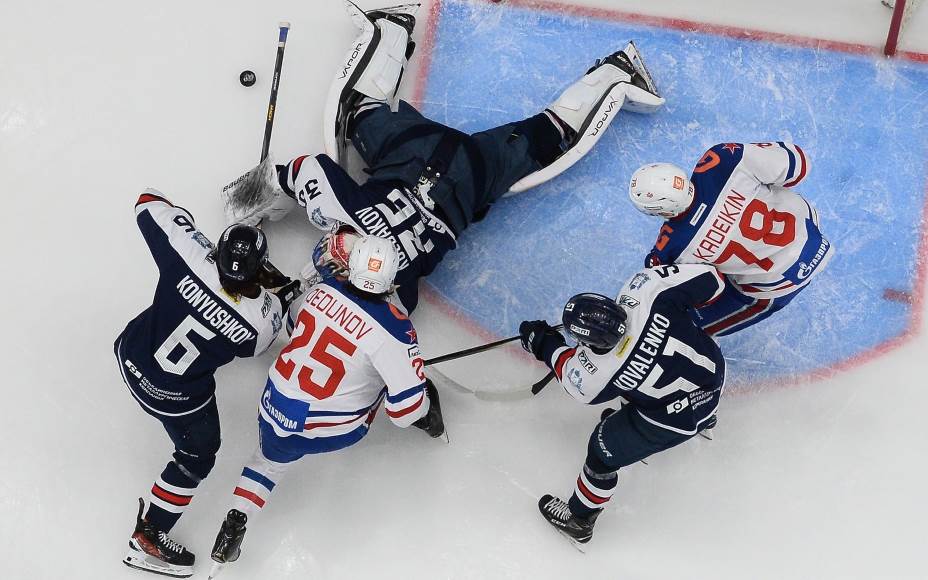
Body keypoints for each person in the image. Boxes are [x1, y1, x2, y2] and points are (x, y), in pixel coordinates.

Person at [223, 3, 665, 313]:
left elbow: (359, 315)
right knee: (360, 111)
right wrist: (252, 201)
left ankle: (617, 73)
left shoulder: (403, 288)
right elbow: (304, 169)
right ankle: (392, 29)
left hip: (473, 172)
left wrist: (291, 290)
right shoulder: (344, 213)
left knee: (550, 135)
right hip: (415, 149)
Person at [207, 235, 445, 577]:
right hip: (332, 427)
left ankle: (237, 515)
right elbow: (404, 413)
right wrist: (421, 404)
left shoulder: (324, 289)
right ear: (392, 279)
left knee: (267, 462)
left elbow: (292, 325)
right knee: (392, 387)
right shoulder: (396, 330)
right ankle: (418, 409)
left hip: (275, 403)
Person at [115, 189, 302, 577]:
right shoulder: (259, 322)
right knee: (198, 455)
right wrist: (275, 291)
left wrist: (196, 237)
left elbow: (146, 202)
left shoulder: (188, 256)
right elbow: (260, 342)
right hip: (172, 398)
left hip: (129, 355)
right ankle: (148, 536)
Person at [518, 263, 726, 547]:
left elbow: (566, 368)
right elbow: (712, 281)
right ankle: (710, 417)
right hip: (713, 377)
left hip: (673, 421)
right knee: (648, 384)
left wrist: (541, 341)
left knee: (601, 455)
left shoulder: (595, 375)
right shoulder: (645, 291)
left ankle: (579, 521)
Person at [628, 141, 834, 336]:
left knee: (688, 327)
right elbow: (799, 165)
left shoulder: (670, 249)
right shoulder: (723, 159)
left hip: (779, 284)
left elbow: (710, 291)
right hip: (811, 234)